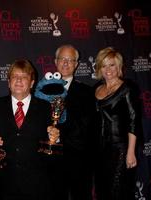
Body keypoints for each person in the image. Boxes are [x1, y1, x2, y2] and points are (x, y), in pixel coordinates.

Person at [0, 59, 59, 200]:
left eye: (24, 77)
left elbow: (51, 142)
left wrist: (56, 137)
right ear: (8, 82)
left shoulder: (45, 107)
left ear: (32, 83)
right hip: (6, 182)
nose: (19, 80)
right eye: (14, 76)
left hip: (38, 184)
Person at [94, 47, 141, 200]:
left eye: (112, 65)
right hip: (99, 150)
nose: (108, 69)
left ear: (119, 67)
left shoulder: (127, 88)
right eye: (104, 65)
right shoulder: (96, 89)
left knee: (118, 191)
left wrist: (130, 152)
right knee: (102, 190)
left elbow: (134, 120)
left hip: (120, 149)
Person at [54, 44, 95, 200]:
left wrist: (60, 134)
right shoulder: (41, 90)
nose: (66, 63)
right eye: (62, 59)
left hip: (78, 158)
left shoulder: (87, 92)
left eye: (70, 60)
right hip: (51, 159)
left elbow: (86, 125)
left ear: (76, 64)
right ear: (55, 61)